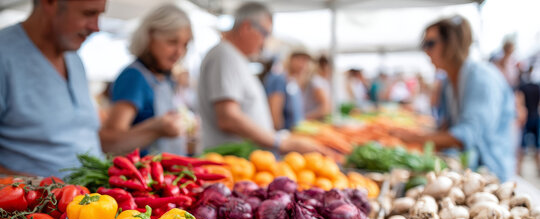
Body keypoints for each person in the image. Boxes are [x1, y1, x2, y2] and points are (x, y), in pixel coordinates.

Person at [393, 16, 516, 181]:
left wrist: (414, 138)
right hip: (469, 173)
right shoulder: (448, 82)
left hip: (492, 173)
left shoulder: (481, 78)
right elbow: (446, 126)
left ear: (450, 44)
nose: (426, 51)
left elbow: (467, 135)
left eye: (430, 44)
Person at [197, 2, 327, 154]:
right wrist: (280, 142)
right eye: (264, 34)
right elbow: (228, 117)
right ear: (246, 27)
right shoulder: (224, 56)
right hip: (230, 162)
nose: (264, 43)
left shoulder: (235, 57)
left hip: (241, 162)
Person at [0, 0, 106, 177]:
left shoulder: (75, 60)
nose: (96, 27)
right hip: (40, 201)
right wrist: (39, 187)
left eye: (99, 15)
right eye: (88, 14)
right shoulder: (4, 57)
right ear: (49, 3)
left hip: (94, 199)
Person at [100, 4, 192, 156]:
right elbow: (110, 142)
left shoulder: (165, 77)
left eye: (185, 44)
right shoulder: (134, 77)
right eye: (172, 42)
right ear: (150, 37)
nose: (179, 52)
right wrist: (155, 128)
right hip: (143, 175)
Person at [264, 50, 310, 130]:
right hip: (284, 134)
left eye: (305, 61)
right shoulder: (279, 79)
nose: (303, 65)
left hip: (295, 131)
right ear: (290, 60)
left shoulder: (293, 81)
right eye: (299, 60)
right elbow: (275, 113)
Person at [517, 66, 540, 174]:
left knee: (521, 146)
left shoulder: (523, 87)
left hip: (526, 118)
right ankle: (538, 169)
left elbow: (520, 102)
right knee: (537, 146)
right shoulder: (537, 87)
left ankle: (519, 170)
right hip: (536, 117)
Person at [303, 55, 332, 120]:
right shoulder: (317, 81)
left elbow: (326, 108)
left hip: (314, 120)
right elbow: (326, 108)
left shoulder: (320, 81)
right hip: (314, 120)